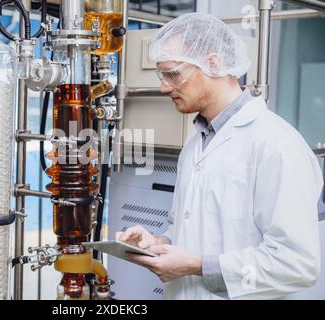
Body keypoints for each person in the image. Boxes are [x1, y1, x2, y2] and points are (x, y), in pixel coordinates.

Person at [116, 12, 324, 300]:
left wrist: (199, 267)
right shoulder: (195, 143)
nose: (163, 86)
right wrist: (156, 242)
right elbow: (190, 231)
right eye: (161, 75)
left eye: (173, 74)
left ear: (213, 63)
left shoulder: (276, 144)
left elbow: (296, 265)